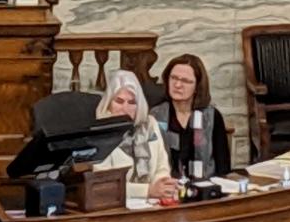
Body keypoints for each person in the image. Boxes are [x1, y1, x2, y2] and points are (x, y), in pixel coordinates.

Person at [93, 70, 177, 201]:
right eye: (119, 101)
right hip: (116, 204)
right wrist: (147, 191)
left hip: (153, 200)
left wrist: (162, 185)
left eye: (132, 102)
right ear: (109, 102)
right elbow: (104, 185)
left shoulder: (150, 124)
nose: (125, 108)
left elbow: (162, 166)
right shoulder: (99, 132)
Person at [149, 54, 231, 180]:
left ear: (197, 87)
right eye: (173, 78)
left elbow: (223, 166)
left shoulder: (211, 116)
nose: (177, 85)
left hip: (205, 187)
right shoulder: (155, 115)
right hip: (168, 189)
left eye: (186, 81)